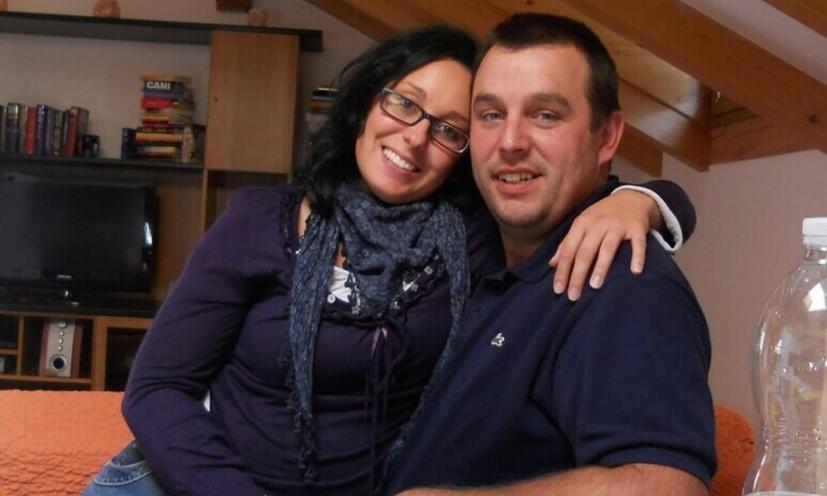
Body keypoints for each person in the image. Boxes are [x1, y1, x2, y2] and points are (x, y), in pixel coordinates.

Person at [82, 25, 694, 496]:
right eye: (404, 103)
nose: (415, 136)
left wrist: (643, 201)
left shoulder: (472, 242)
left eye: (450, 128)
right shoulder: (259, 220)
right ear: (367, 102)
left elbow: (554, 196)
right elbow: (156, 388)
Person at [385, 14, 715, 496]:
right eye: (491, 115)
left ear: (607, 137)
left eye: (545, 115)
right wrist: (648, 199)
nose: (510, 143)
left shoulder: (622, 283)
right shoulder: (476, 244)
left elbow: (668, 486)